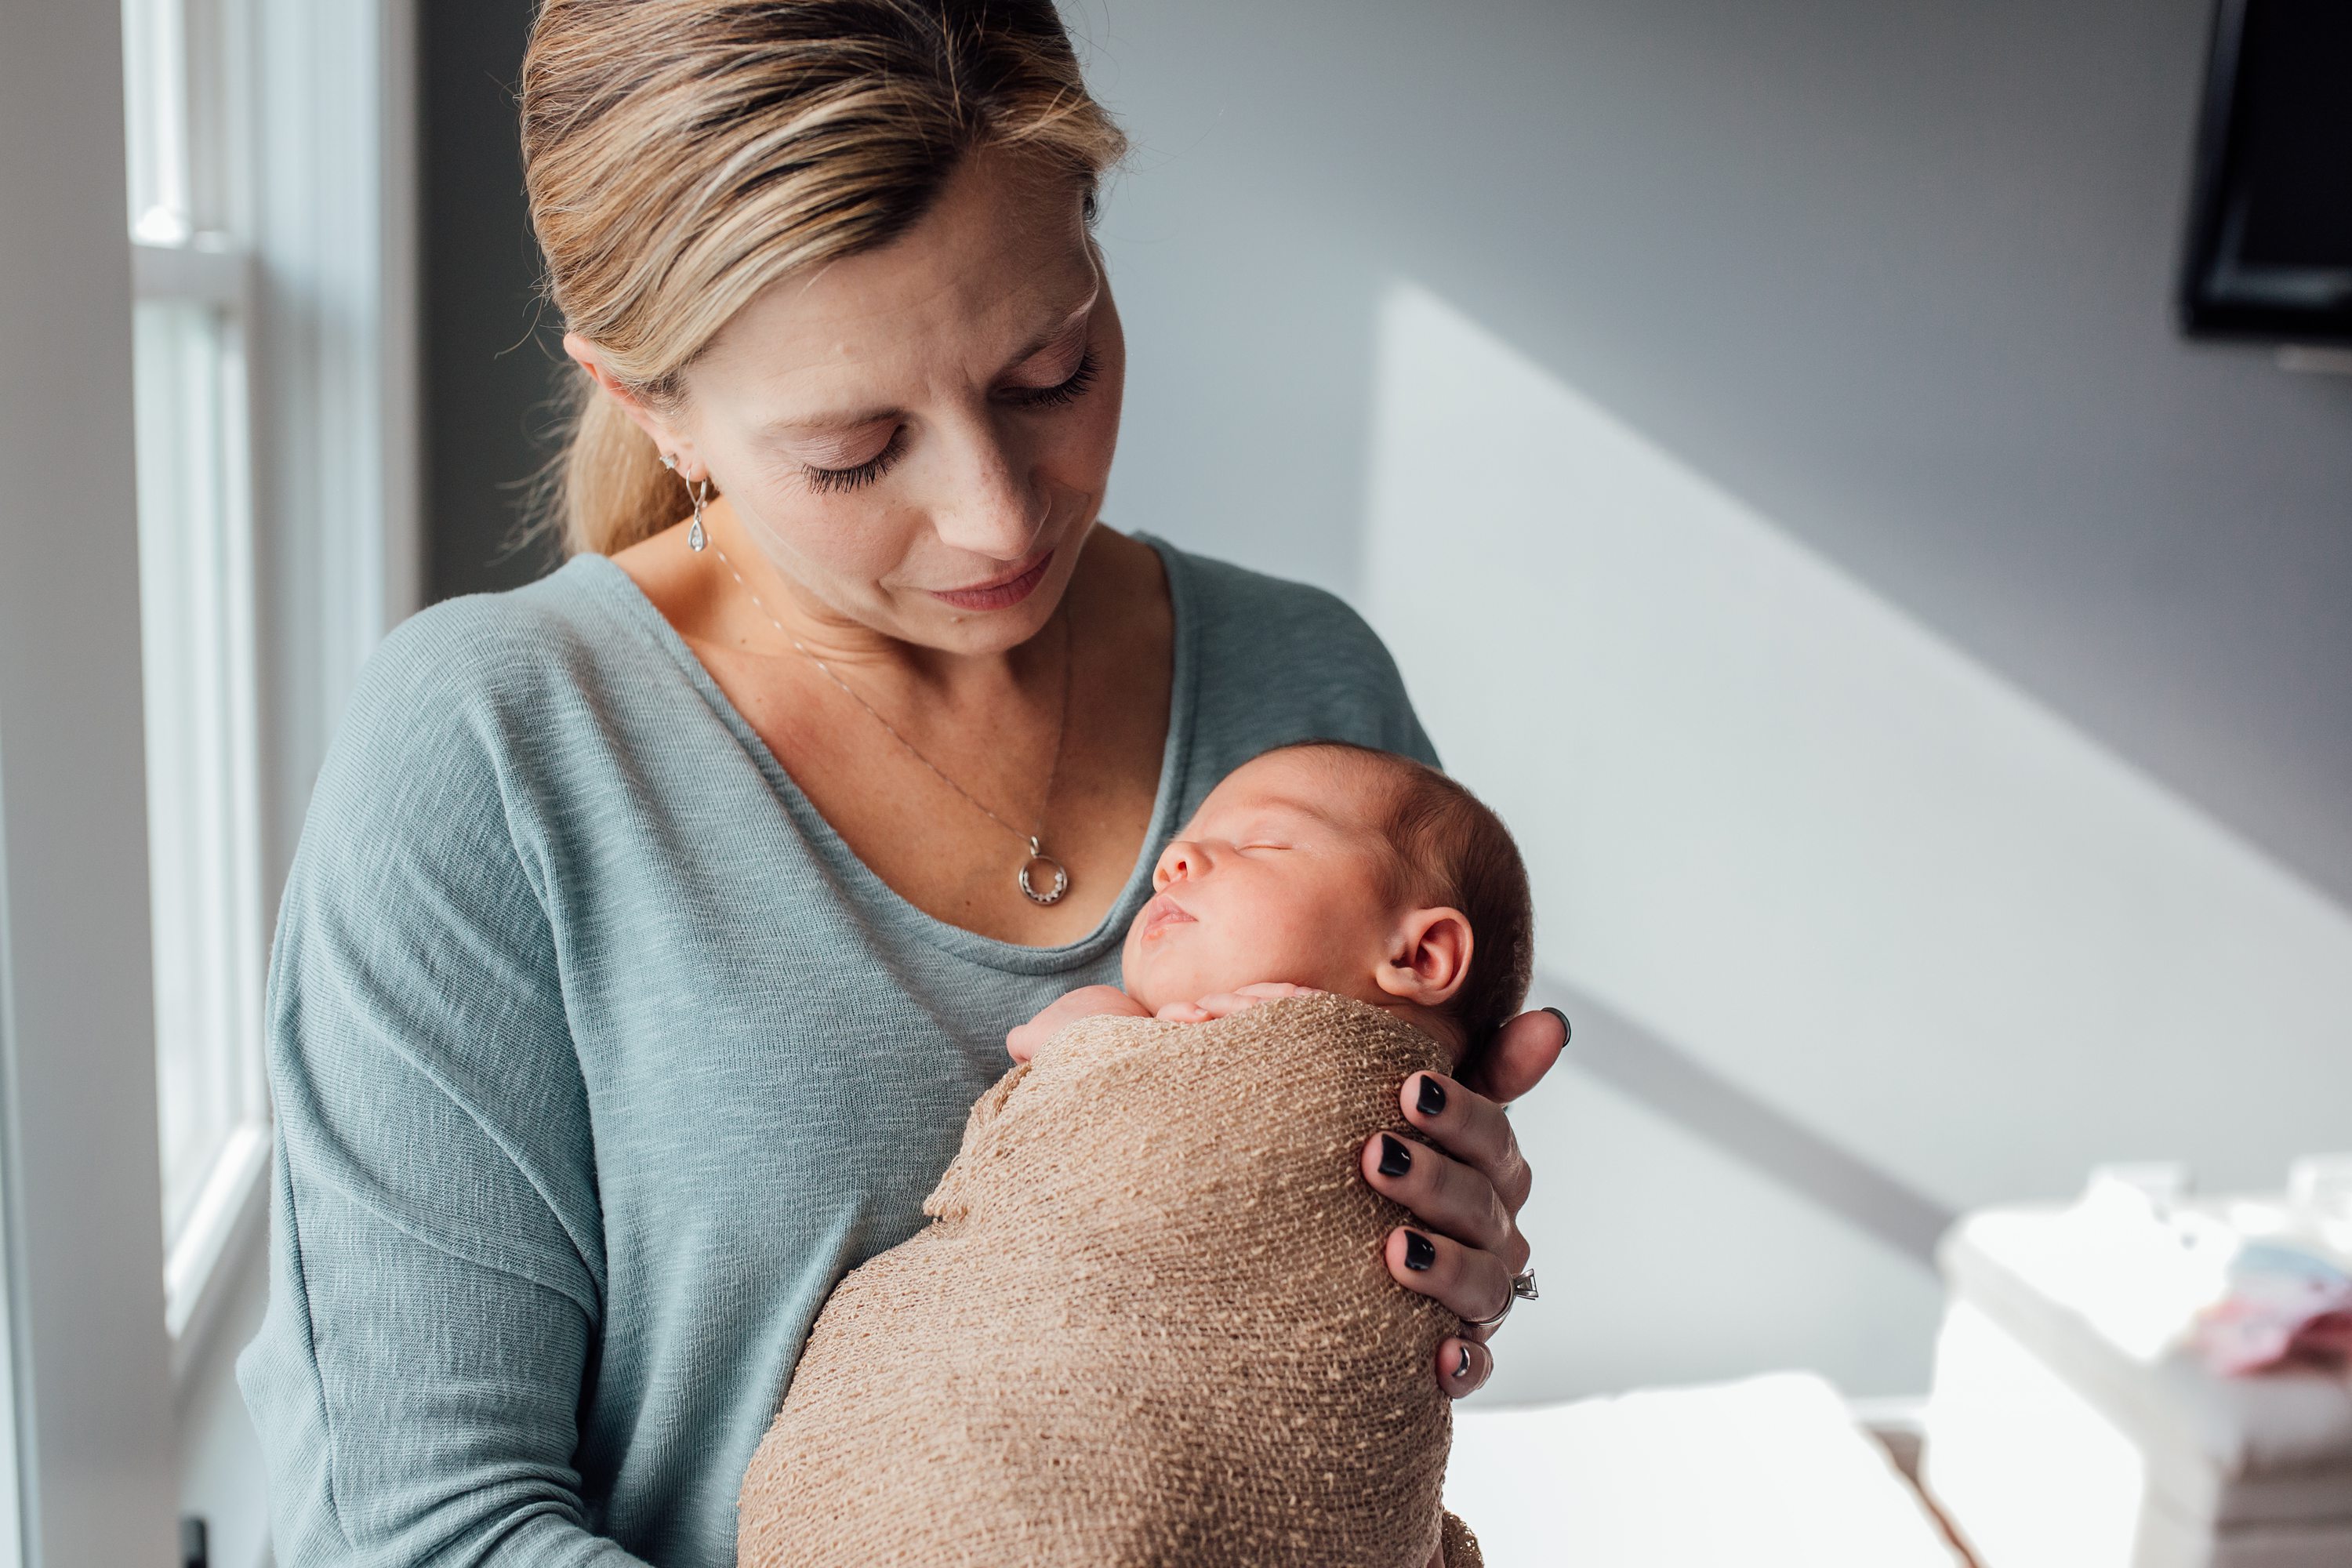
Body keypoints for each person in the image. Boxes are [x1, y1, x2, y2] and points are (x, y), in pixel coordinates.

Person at [238, 4, 1566, 1564]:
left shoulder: (1309, 694)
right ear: (646, 398)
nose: (998, 522)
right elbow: (422, 1527)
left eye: (1050, 372)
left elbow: (1282, 1379)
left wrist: (1457, 1268)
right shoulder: (492, 751)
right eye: (857, 450)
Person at [739, 740, 1534, 1566]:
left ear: (1420, 955)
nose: (1174, 861)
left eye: (1262, 843)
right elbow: (1067, 1085)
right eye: (1180, 846)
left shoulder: (1377, 1076)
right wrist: (1113, 1041)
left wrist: (1479, 1244)